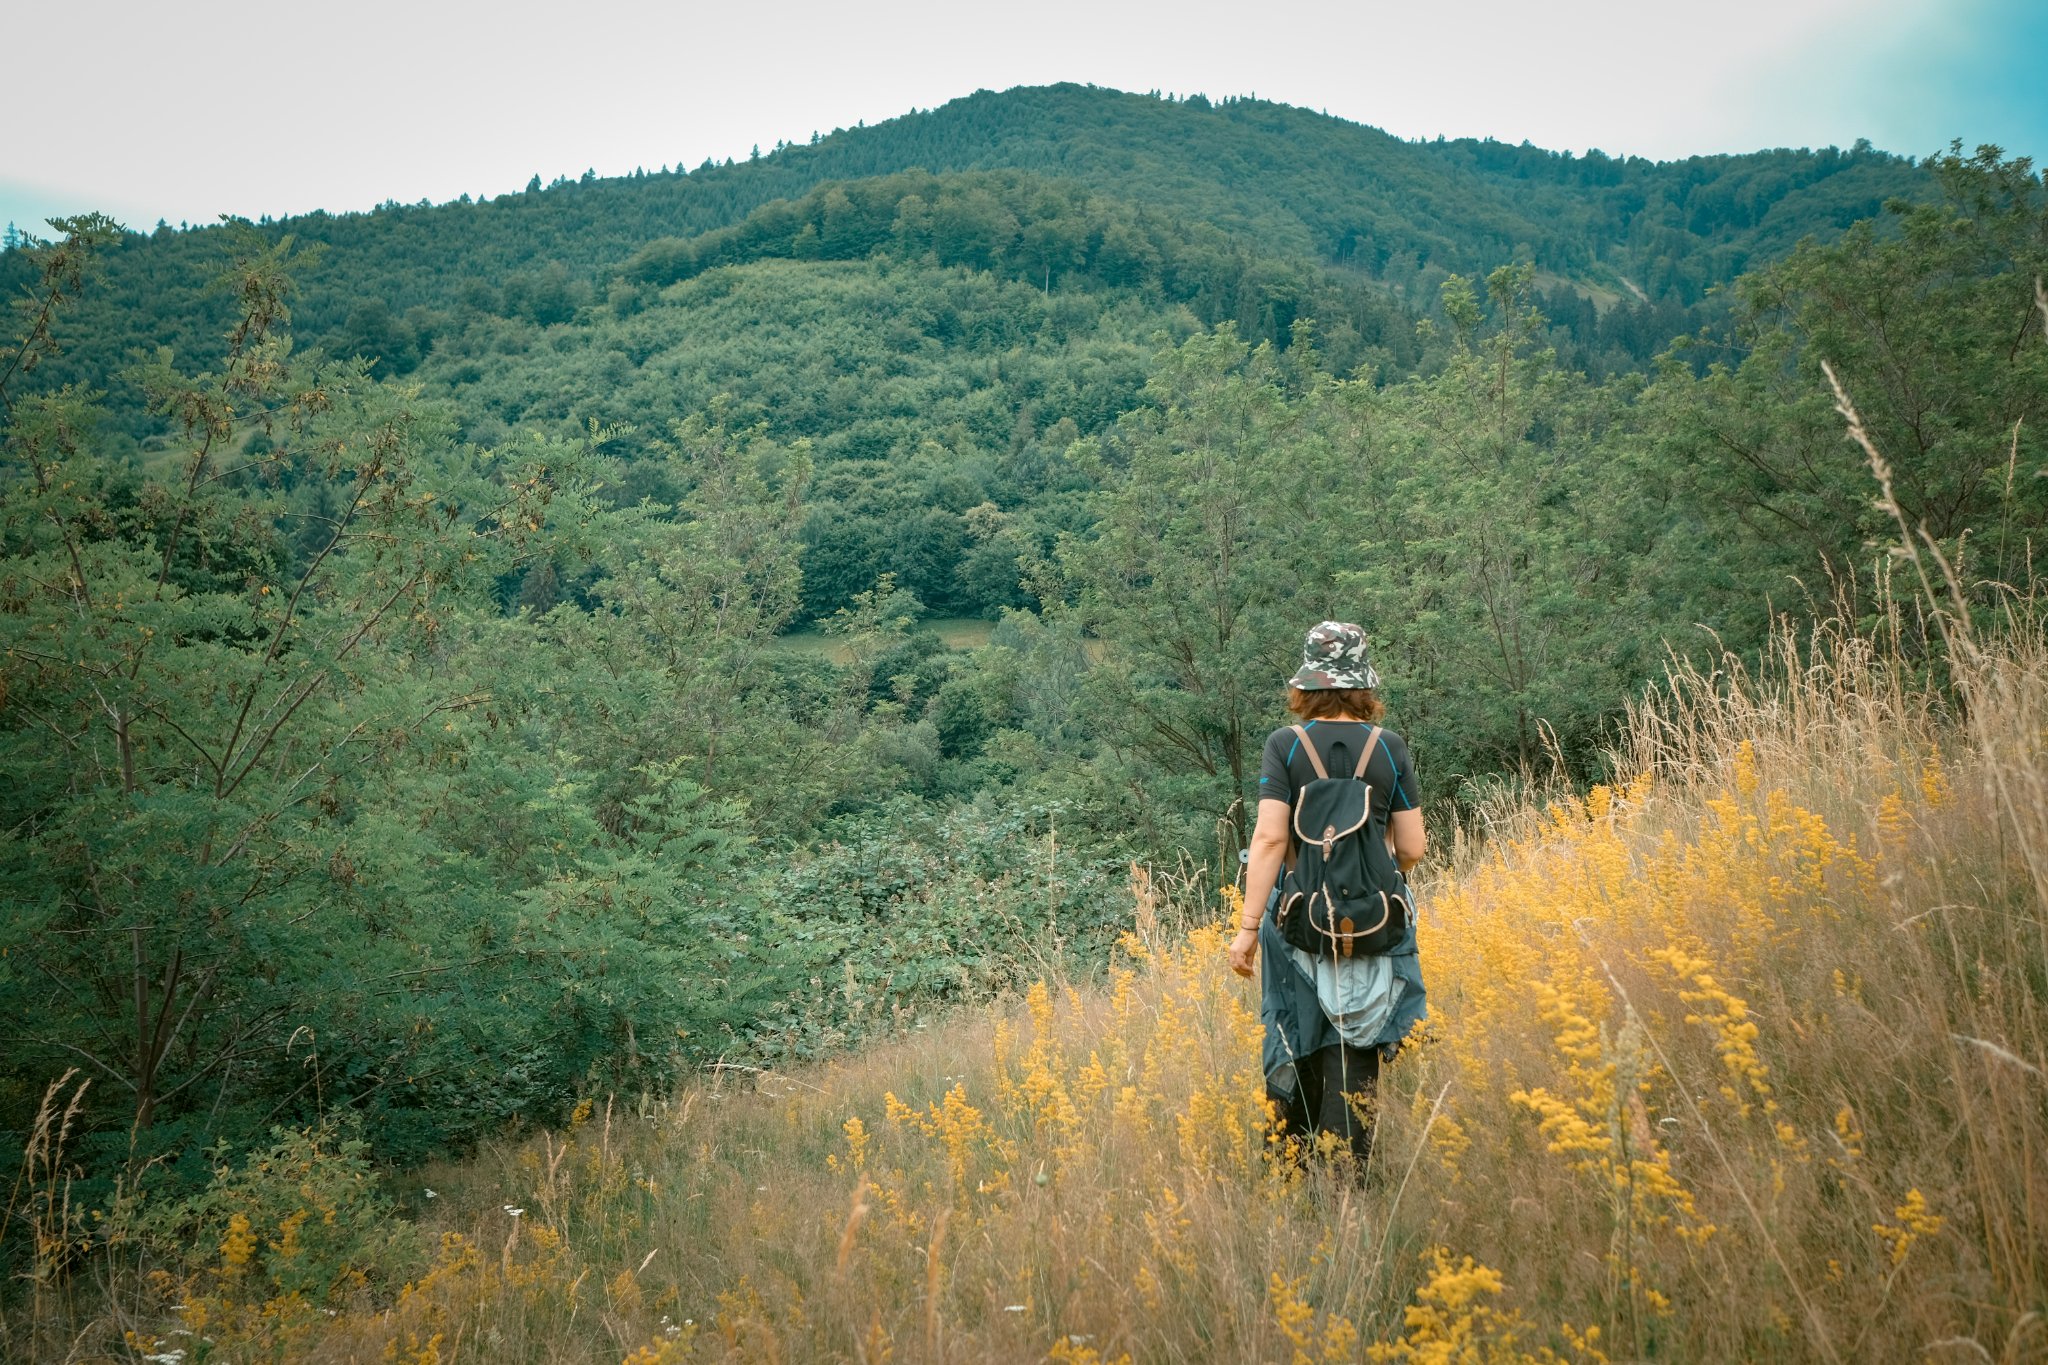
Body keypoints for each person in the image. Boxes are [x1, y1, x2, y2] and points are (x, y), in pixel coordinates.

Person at [1229, 620, 1428, 1172]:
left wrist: (1248, 929)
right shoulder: (1388, 747)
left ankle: (1290, 1174)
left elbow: (1270, 839)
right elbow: (1413, 848)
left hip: (1298, 921)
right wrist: (1370, 867)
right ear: (1362, 684)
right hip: (1373, 921)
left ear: (1307, 684)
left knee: (1295, 1034)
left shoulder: (1285, 746)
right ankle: (1348, 1179)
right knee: (1358, 1043)